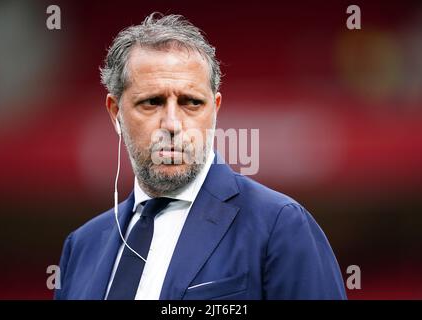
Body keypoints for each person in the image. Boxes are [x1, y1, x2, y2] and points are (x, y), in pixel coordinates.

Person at [55, 13, 347, 300]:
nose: (172, 124)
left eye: (191, 102)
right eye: (152, 102)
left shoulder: (279, 226)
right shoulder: (82, 247)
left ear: (215, 109)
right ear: (115, 112)